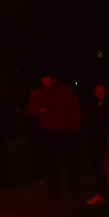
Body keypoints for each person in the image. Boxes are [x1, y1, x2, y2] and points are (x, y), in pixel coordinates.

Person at [26, 71, 81, 199]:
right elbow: (29, 110)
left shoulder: (65, 91)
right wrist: (38, 110)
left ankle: (74, 188)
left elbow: (75, 109)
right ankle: (54, 191)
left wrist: (75, 128)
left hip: (65, 130)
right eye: (43, 80)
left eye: (47, 79)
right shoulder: (38, 92)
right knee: (50, 163)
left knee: (71, 162)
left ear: (53, 79)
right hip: (48, 131)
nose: (45, 82)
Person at [85, 83, 109, 206]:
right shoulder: (91, 106)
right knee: (98, 168)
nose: (99, 94)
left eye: (102, 91)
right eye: (97, 91)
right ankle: (101, 192)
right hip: (96, 142)